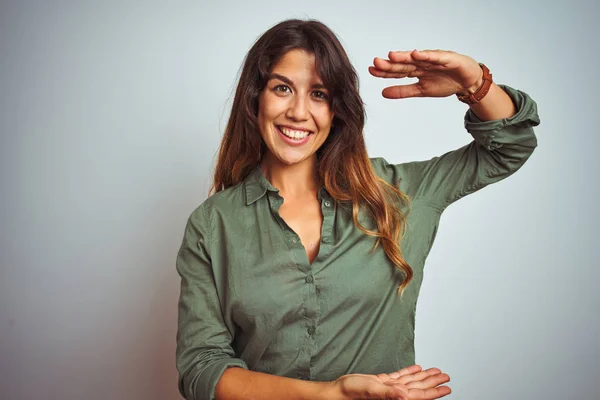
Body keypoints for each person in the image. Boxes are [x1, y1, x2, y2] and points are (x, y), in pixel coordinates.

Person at [175, 19, 539, 400]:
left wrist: (474, 83)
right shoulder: (213, 224)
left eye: (318, 94)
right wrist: (330, 394)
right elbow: (202, 369)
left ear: (337, 109)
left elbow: (510, 147)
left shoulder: (399, 195)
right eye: (282, 88)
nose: (299, 112)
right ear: (255, 98)